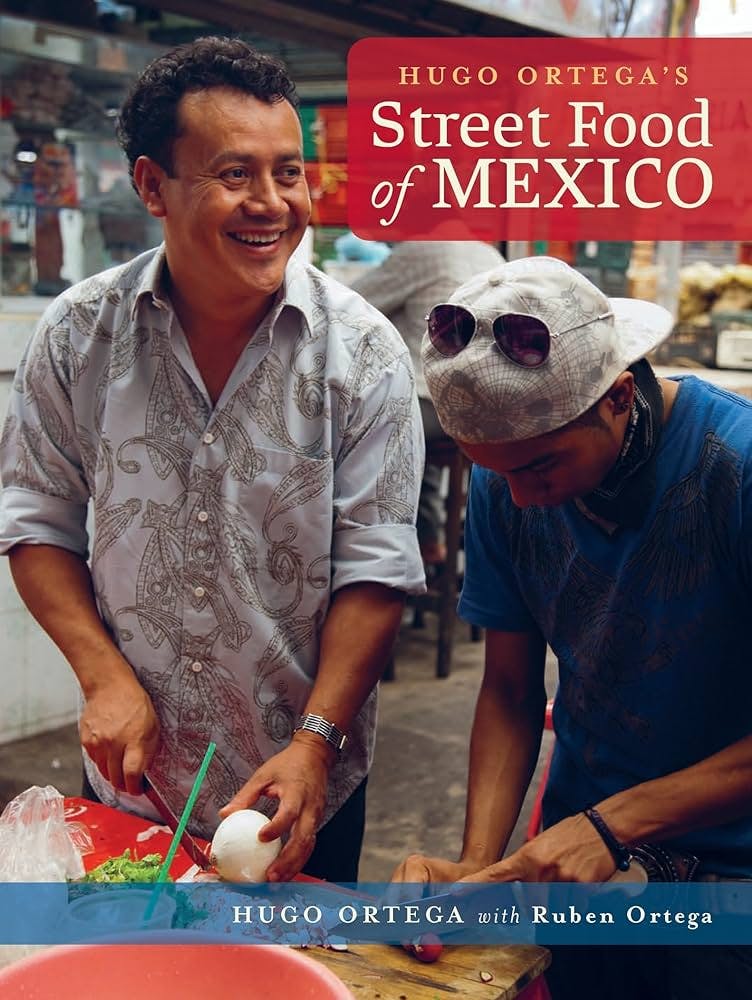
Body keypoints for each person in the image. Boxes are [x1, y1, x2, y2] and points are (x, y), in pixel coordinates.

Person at [0, 36, 425, 883]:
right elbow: (37, 519)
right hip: (133, 784)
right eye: (235, 174)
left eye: (289, 172)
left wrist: (314, 743)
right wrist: (101, 676)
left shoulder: (367, 355)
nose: (272, 203)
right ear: (152, 185)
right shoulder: (81, 335)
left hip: (299, 791)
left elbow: (376, 574)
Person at [392, 256, 752, 997]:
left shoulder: (736, 471)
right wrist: (479, 873)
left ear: (618, 396)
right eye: (496, 473)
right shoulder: (506, 486)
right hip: (580, 862)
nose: (520, 501)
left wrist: (617, 821)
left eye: (539, 468)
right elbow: (509, 691)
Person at [351, 240, 503, 565]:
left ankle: (376, 555)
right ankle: (429, 539)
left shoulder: (419, 252)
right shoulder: (489, 255)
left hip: (433, 403)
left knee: (371, 424)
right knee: (412, 430)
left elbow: (351, 305)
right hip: (483, 405)